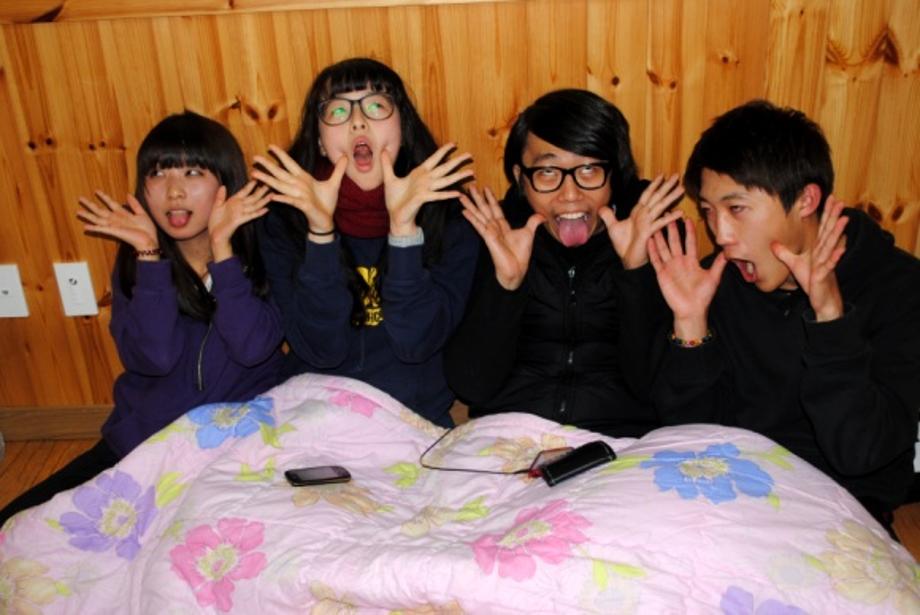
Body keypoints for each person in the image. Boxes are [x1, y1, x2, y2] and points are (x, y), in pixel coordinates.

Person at [644, 100, 920, 530]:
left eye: (737, 209)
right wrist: (691, 325)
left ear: (806, 200)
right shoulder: (721, 280)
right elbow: (692, 438)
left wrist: (831, 320)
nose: (721, 234)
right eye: (709, 211)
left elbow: (862, 453)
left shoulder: (898, 286)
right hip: (728, 499)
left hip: (839, 511)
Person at [0, 111, 284, 525]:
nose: (173, 191)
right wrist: (149, 258)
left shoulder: (262, 250)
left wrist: (223, 252)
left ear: (225, 183)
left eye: (192, 173)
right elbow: (154, 359)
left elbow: (252, 348)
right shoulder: (140, 260)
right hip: (145, 439)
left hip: (232, 446)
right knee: (17, 525)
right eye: (158, 173)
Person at [444, 89, 683, 437]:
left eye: (589, 169)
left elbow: (655, 388)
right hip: (511, 435)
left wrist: (637, 272)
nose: (570, 194)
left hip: (619, 439)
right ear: (520, 177)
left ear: (615, 172)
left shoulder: (656, 232)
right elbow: (471, 385)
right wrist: (505, 286)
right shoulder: (496, 232)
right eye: (547, 172)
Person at [255, 58, 478, 427]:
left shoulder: (451, 217)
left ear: (403, 127)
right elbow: (321, 350)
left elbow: (416, 344)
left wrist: (404, 230)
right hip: (312, 417)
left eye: (376, 106)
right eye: (338, 110)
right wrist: (320, 232)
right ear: (320, 142)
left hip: (412, 421)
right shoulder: (284, 220)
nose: (358, 121)